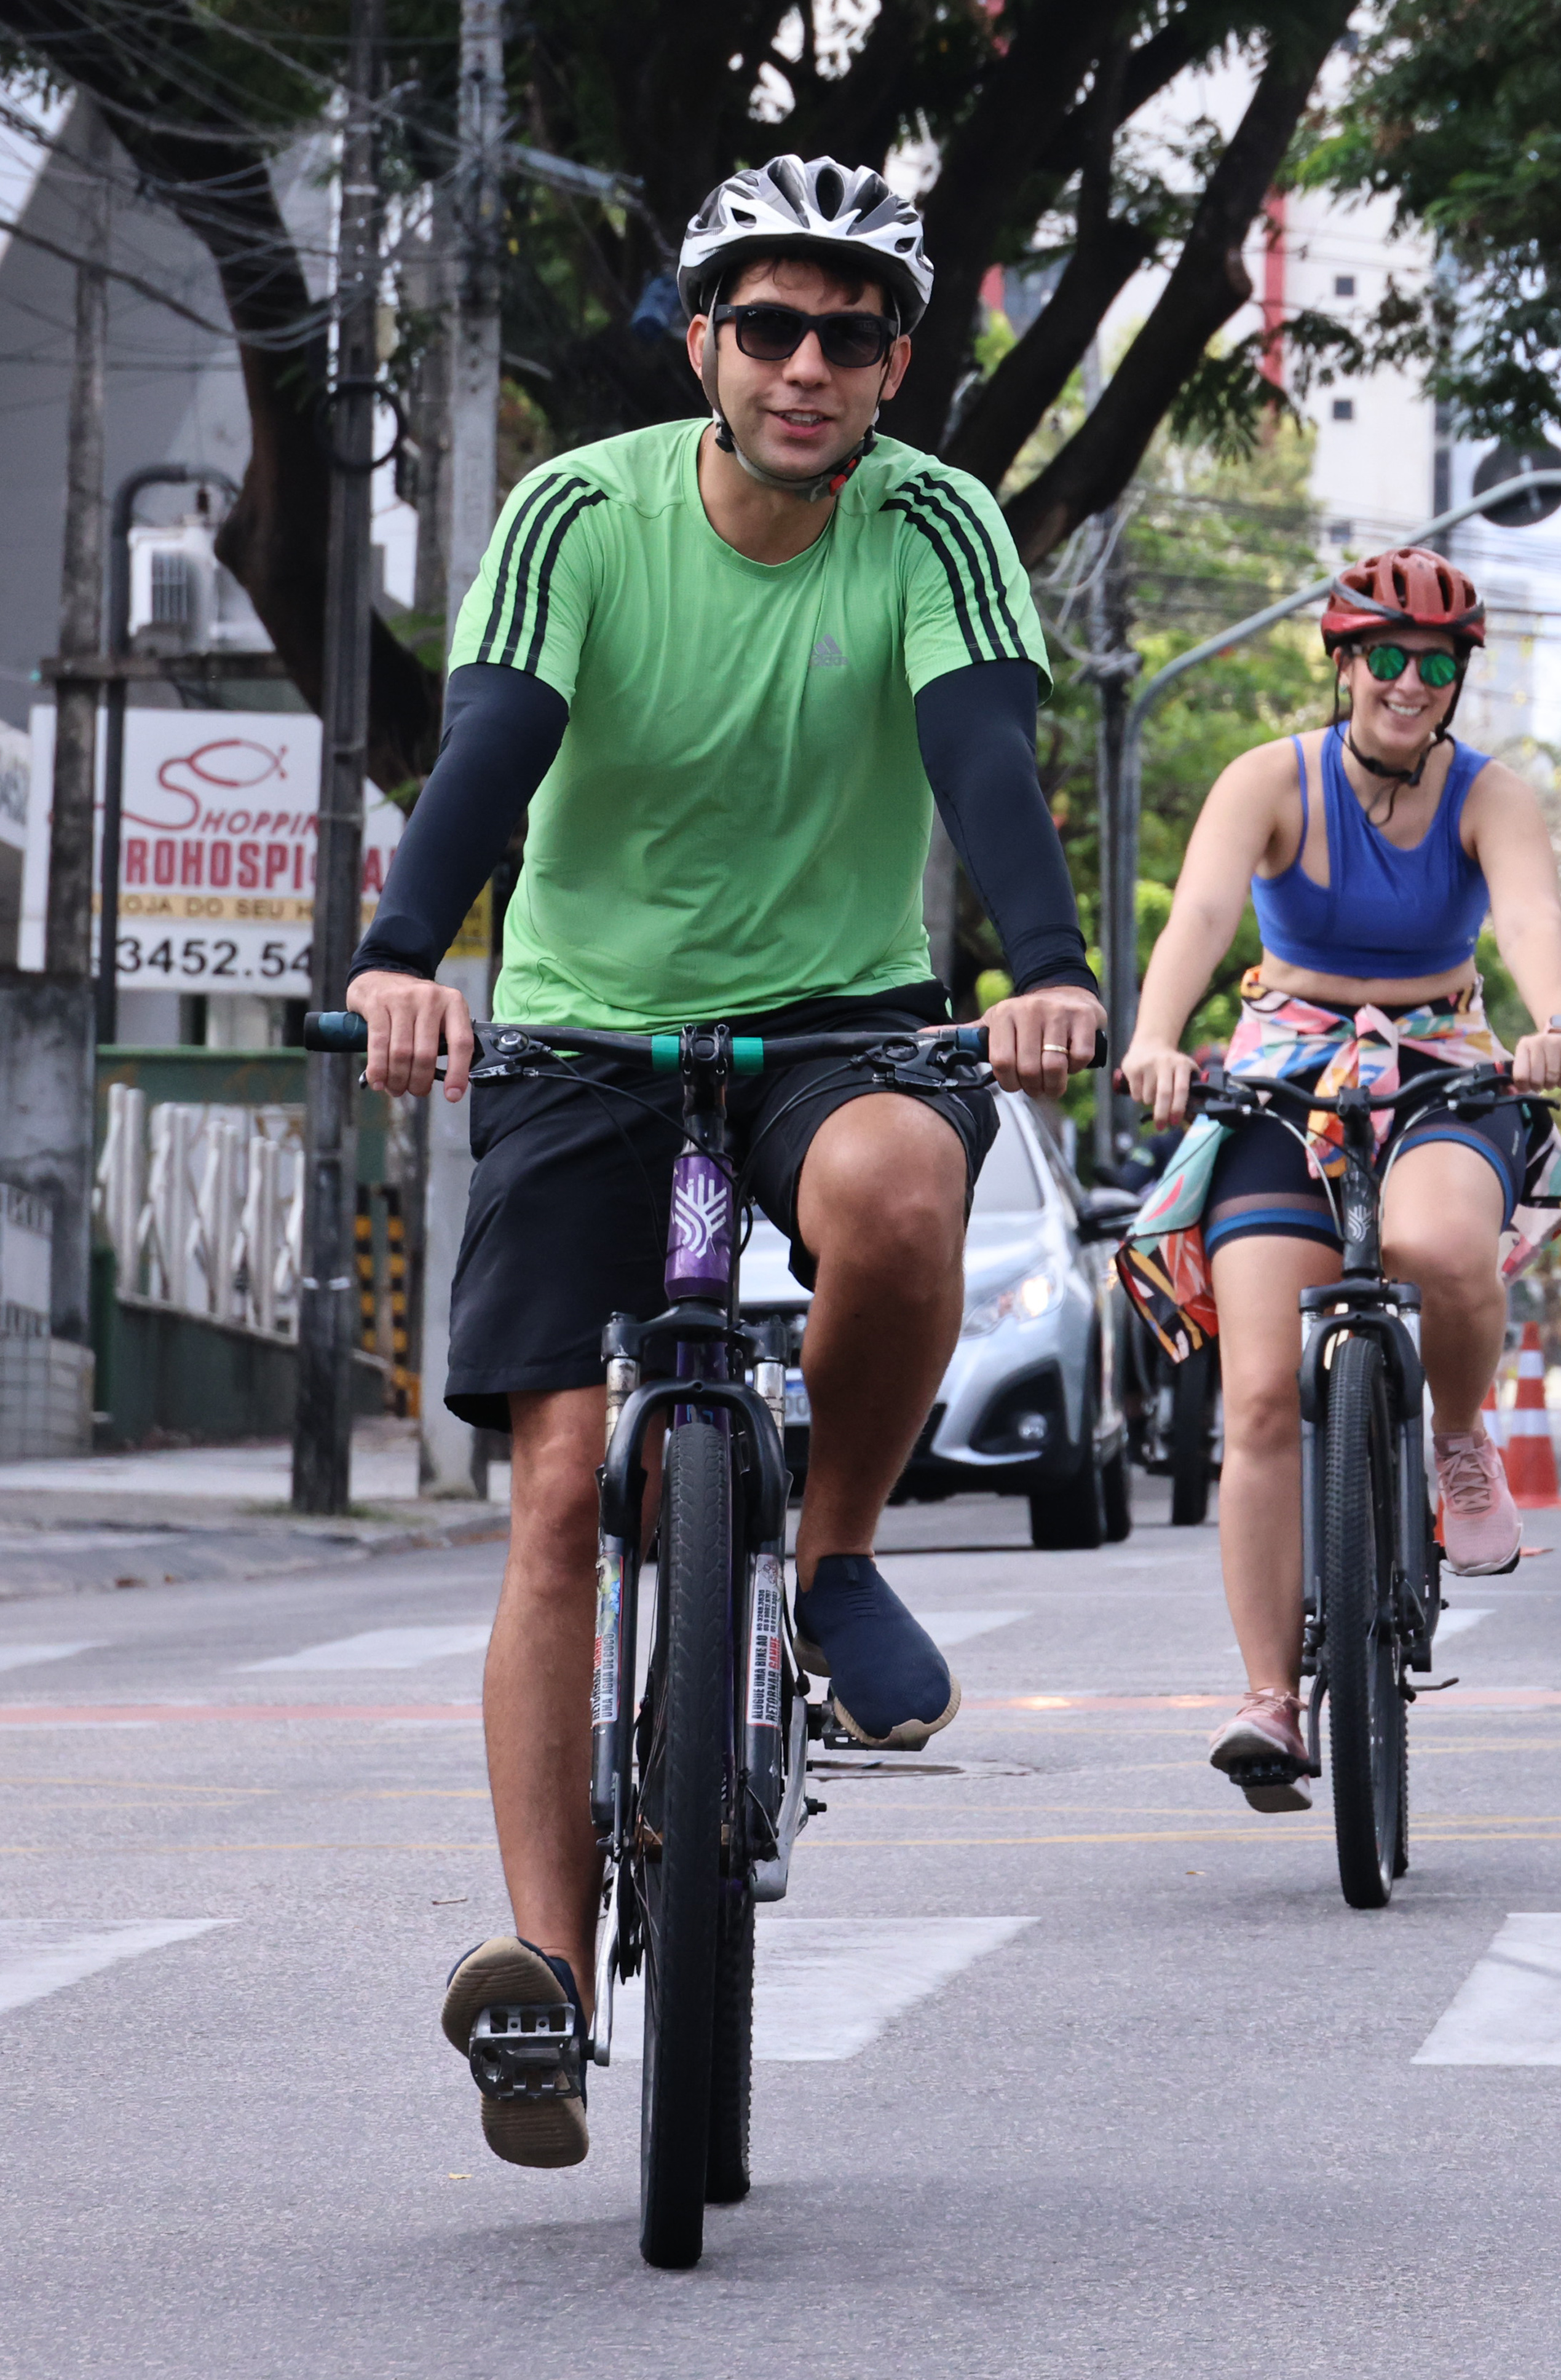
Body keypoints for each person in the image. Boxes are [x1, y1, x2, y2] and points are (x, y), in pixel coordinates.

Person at [342, 156, 1107, 2167]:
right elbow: (487, 748)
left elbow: (979, 758)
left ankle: (832, 1552)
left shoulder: (935, 525)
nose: (805, 366)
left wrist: (1042, 972)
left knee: (903, 1192)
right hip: (588, 1033)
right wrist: (404, 956)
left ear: (894, 365)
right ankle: (539, 1970)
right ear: (700, 340)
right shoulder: (575, 514)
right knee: (564, 1485)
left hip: (841, 1018)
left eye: (851, 335)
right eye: (765, 326)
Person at [1118, 545, 1561, 1812]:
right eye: (1385, 657)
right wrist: (1159, 1039)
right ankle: (1271, 1695)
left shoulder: (1492, 796)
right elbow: (1204, 917)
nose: (1408, 683)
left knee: (1441, 1247)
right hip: (1285, 1068)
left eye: (1435, 664)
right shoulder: (1270, 780)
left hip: (1440, 1059)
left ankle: (1453, 1437)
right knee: (1263, 1391)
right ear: (1342, 664)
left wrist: (1558, 1020)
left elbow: (1536, 920)